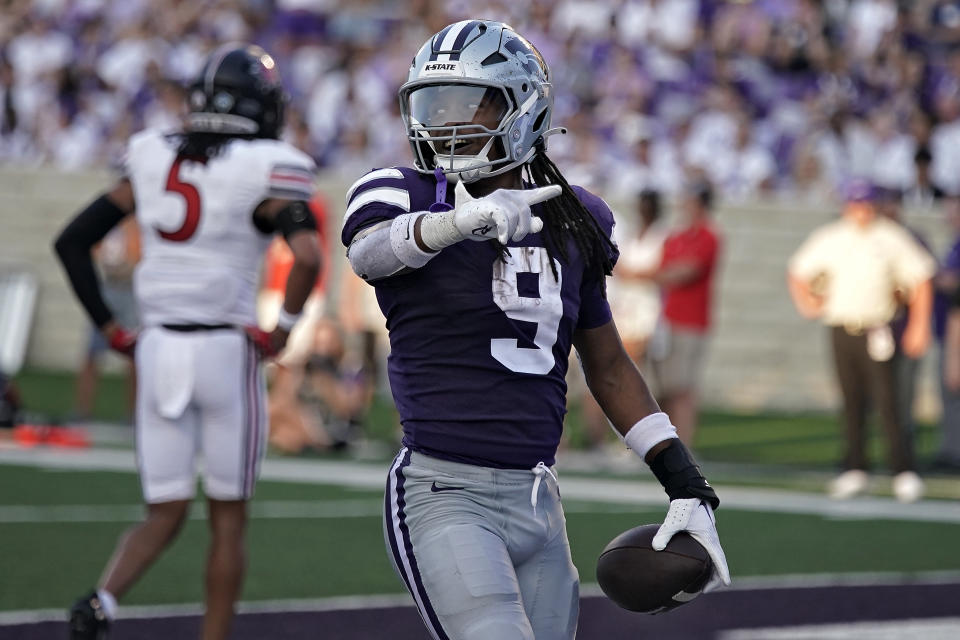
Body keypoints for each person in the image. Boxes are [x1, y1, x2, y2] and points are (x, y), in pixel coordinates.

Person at [342, 20, 729, 640]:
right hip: (445, 490)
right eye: (432, 105)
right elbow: (370, 254)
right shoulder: (402, 192)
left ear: (522, 108)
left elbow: (606, 364)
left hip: (539, 500)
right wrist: (457, 223)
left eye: (467, 103)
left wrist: (686, 483)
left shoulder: (575, 215)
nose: (445, 123)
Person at [53, 45, 322, 640]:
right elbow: (307, 254)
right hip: (226, 350)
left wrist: (108, 327)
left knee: (164, 510)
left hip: (157, 350)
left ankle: (102, 600)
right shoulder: (269, 163)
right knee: (227, 521)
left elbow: (72, 241)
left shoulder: (150, 152)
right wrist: (281, 328)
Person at [787, 180, 935, 503]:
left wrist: (919, 326)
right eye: (855, 203)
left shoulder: (890, 236)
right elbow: (798, 270)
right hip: (841, 327)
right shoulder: (831, 237)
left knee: (888, 400)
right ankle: (855, 467)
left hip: (878, 328)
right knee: (850, 398)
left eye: (866, 203)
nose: (861, 210)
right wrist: (808, 302)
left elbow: (921, 278)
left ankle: (903, 468)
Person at [646, 179, 722, 446]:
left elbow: (683, 272)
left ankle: (684, 445)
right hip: (667, 320)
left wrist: (647, 275)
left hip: (690, 322)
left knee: (683, 389)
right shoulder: (676, 236)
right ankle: (661, 443)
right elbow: (663, 269)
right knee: (663, 387)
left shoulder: (708, 236)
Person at [71, 216, 140, 422]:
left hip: (130, 290)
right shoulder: (108, 223)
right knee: (92, 351)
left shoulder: (138, 224)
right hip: (108, 287)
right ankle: (82, 409)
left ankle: (133, 412)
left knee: (134, 354)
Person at [934, 196, 960, 471]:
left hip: (955, 332)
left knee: (953, 392)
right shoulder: (954, 243)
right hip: (946, 330)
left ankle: (954, 454)